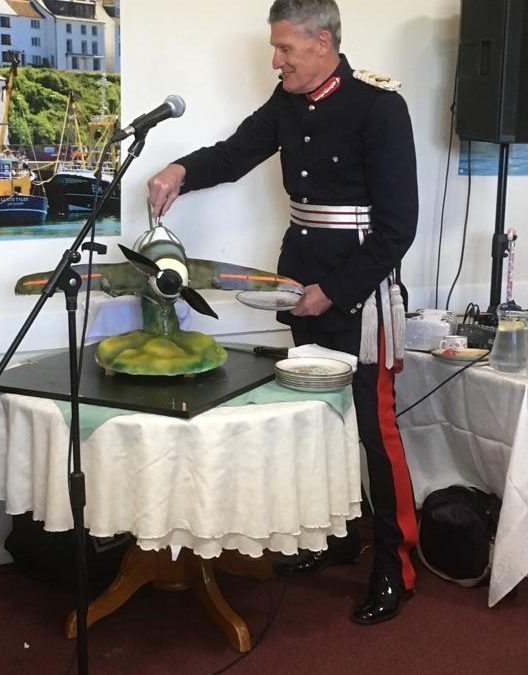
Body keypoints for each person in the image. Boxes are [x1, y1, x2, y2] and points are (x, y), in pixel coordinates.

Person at [147, 0, 418, 624]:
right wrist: (181, 169)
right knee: (317, 419)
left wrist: (336, 288)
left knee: (376, 433)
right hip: (298, 282)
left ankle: (394, 566)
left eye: (286, 50)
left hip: (358, 290)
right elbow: (237, 151)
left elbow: (398, 226)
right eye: (276, 49)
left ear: (323, 43)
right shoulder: (288, 103)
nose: (276, 62)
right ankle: (340, 538)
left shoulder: (380, 108)